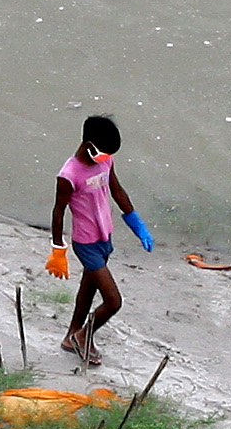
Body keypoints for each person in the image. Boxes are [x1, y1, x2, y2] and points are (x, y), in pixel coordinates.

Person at [49, 112, 153, 365]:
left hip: (104, 237)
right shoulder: (69, 175)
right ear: (89, 146)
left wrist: (135, 222)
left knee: (87, 291)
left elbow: (116, 189)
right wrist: (58, 249)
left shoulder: (105, 162)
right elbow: (58, 211)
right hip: (85, 243)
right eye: (105, 152)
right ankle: (83, 337)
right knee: (113, 301)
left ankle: (71, 335)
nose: (107, 157)